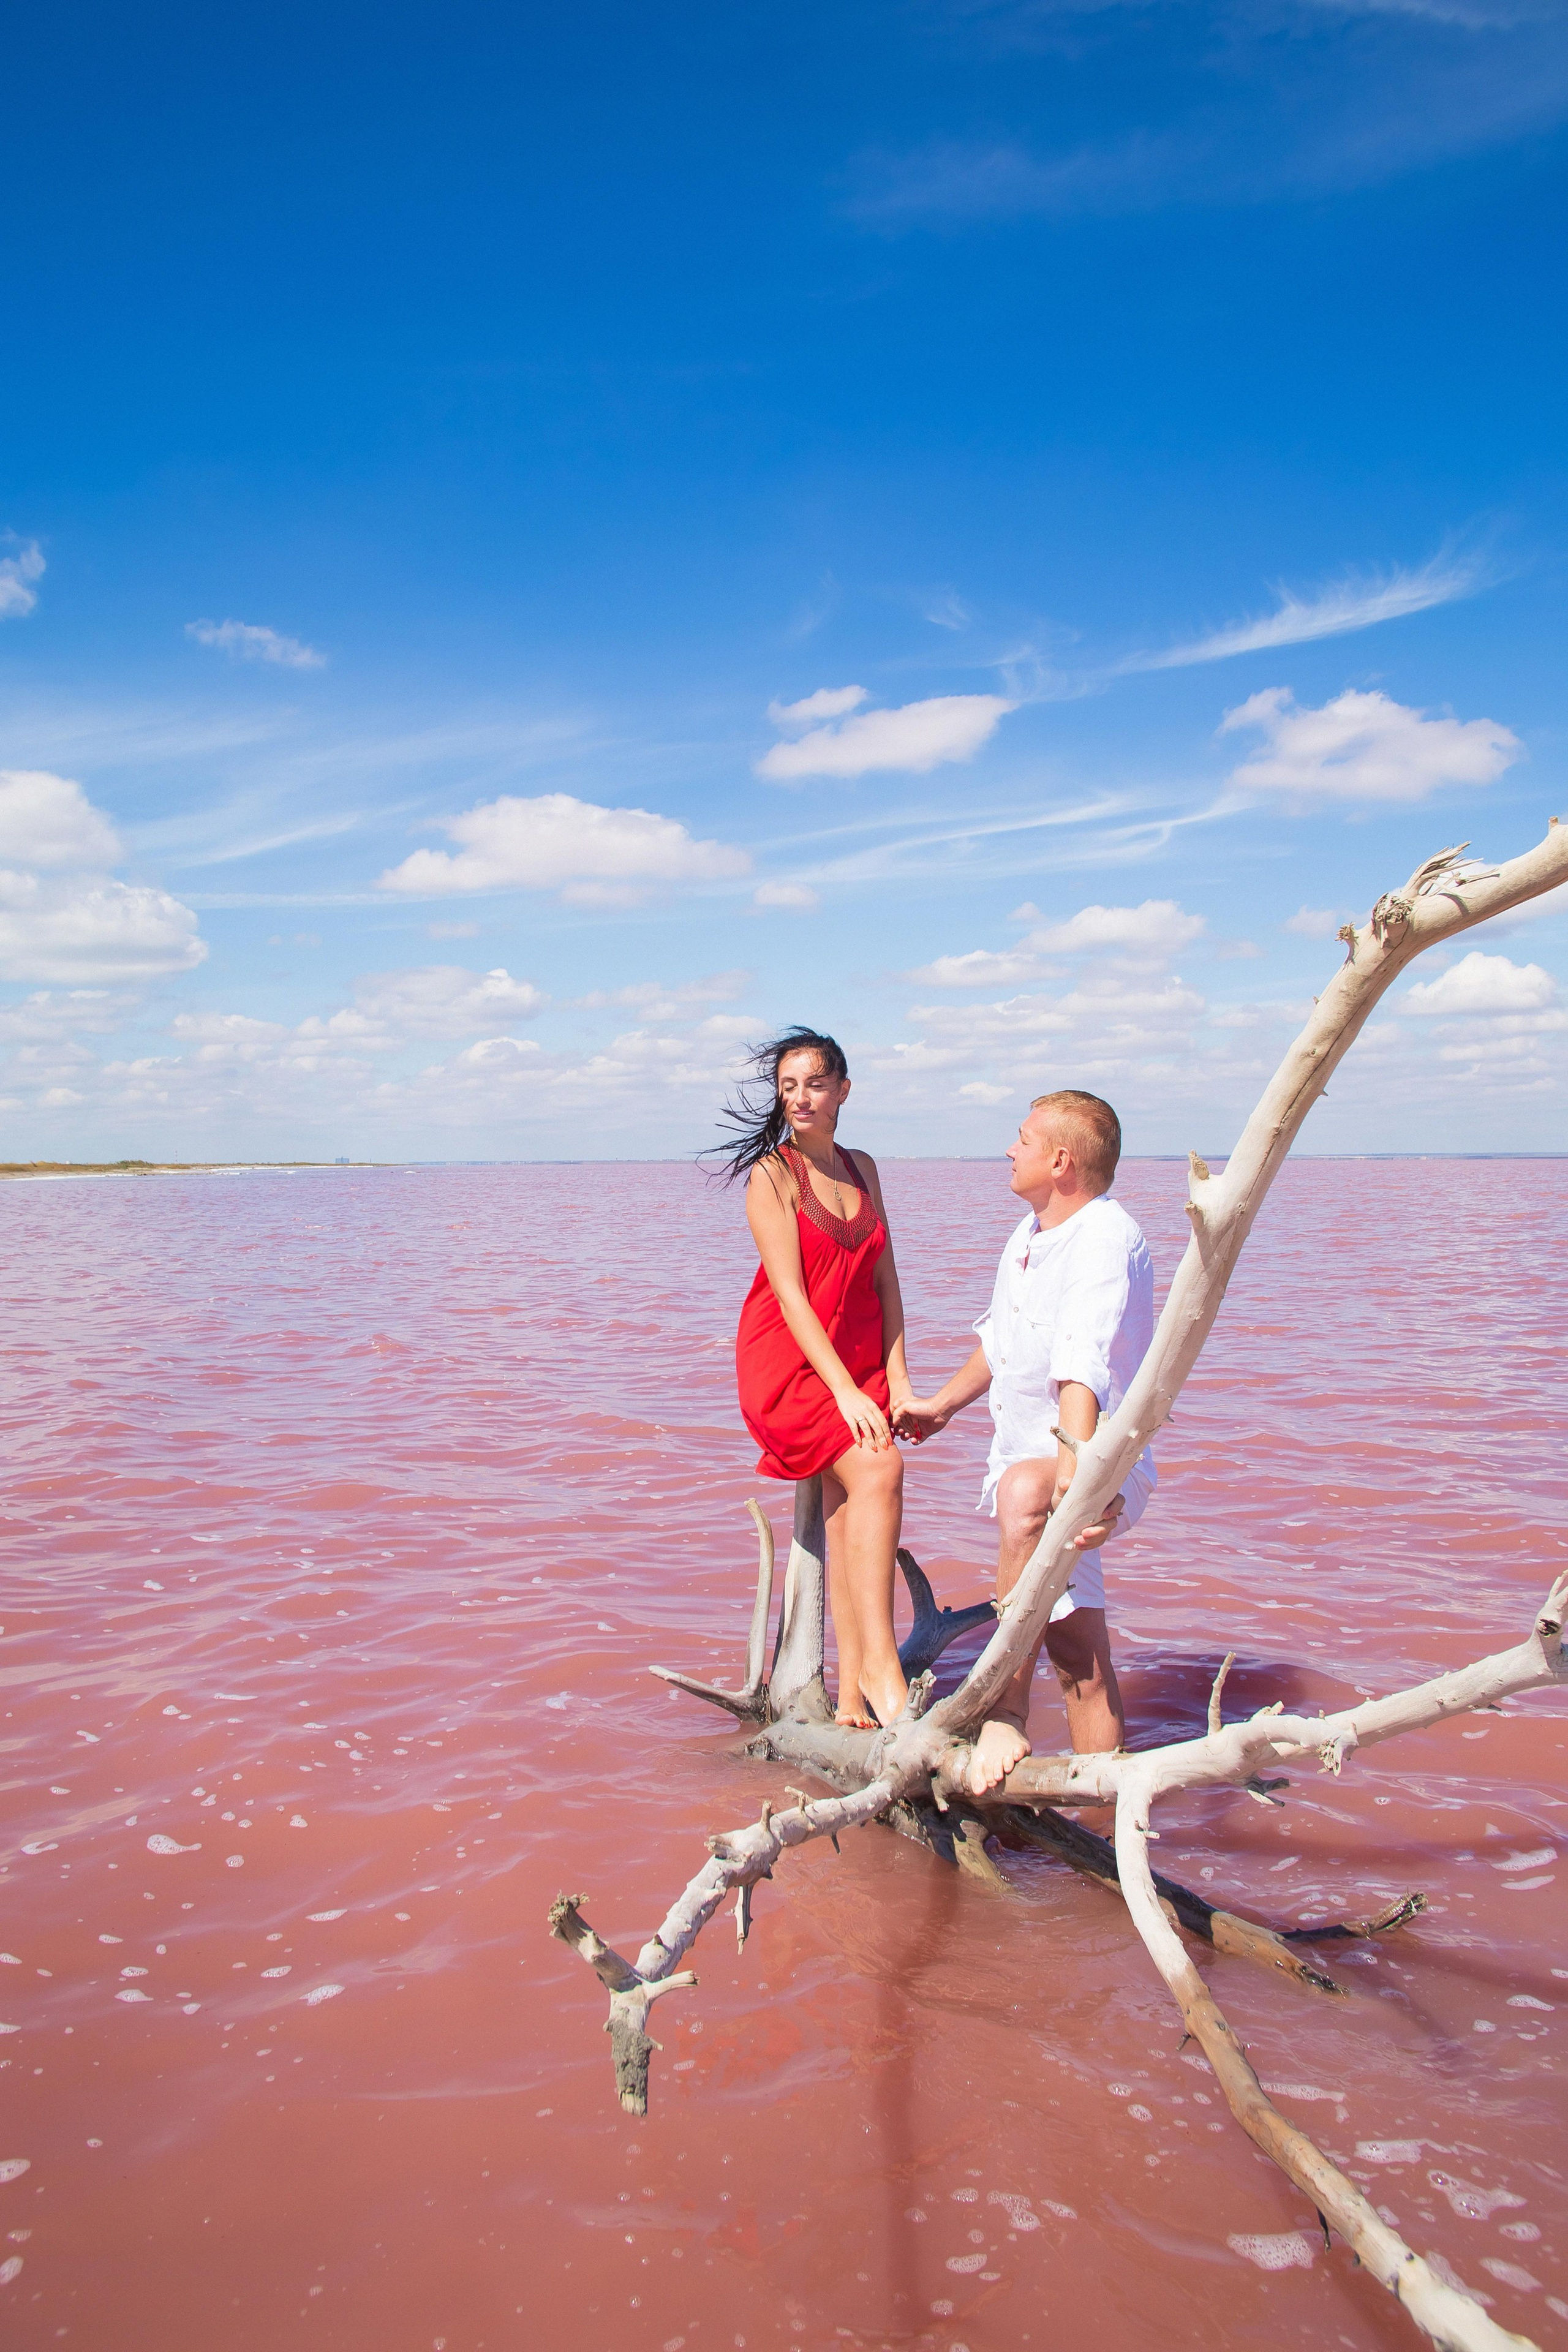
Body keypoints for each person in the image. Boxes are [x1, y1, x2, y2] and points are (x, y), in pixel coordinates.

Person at [895, 1089, 1155, 1793]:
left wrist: (1075, 1476)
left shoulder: (1104, 1236)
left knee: (1022, 1494)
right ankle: (1104, 1816)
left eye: (1022, 1140)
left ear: (1060, 1160)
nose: (1009, 1150)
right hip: (1044, 1461)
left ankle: (1002, 1708)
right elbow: (1001, 1341)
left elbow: (1084, 1362)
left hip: (1092, 1465)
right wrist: (941, 1407)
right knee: (1081, 1664)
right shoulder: (1030, 1233)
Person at [720, 1028, 914, 1732]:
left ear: (843, 1090)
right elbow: (793, 1298)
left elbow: (887, 1280)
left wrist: (896, 1380)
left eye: (815, 1084)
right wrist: (845, 1392)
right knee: (879, 1470)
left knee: (850, 1503)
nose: (801, 1098)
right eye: (789, 1087)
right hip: (790, 1365)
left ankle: (855, 1698)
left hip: (860, 1361)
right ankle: (880, 1669)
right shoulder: (772, 1176)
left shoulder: (863, 1167)